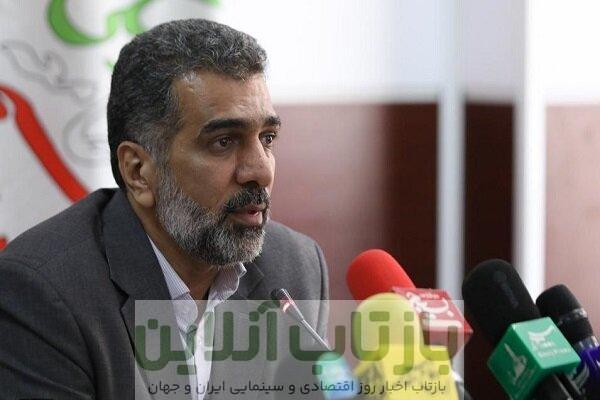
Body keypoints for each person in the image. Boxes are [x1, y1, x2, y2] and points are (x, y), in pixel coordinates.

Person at [0, 19, 329, 400]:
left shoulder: (294, 268)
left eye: (267, 138)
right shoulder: (42, 293)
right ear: (138, 171)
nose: (261, 171)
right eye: (223, 142)